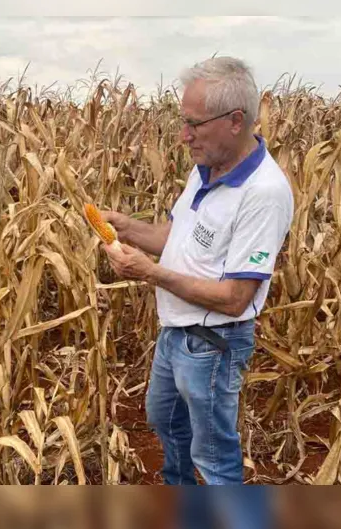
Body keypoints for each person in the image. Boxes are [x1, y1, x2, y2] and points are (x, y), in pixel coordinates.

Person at [100, 57, 294, 494]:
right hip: (176, 331)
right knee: (163, 416)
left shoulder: (263, 193)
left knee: (213, 453)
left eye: (194, 124)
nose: (184, 135)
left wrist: (151, 274)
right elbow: (178, 236)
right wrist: (125, 228)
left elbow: (235, 298)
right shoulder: (205, 167)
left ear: (235, 121)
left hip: (211, 344)